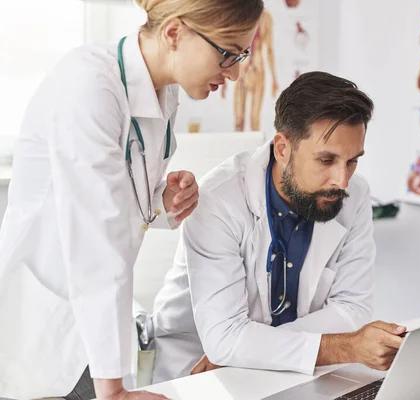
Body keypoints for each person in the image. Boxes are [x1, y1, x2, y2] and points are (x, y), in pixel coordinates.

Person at [0, 1, 264, 399]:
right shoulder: (89, 84)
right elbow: (95, 238)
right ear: (174, 33)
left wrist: (163, 200)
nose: (235, 73)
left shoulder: (165, 92)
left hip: (95, 326)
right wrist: (114, 391)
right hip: (41, 322)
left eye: (242, 55)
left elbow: (122, 198)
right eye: (227, 53)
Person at [150, 72, 406, 383]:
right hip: (196, 375)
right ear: (283, 149)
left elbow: (353, 309)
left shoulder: (354, 195)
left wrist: (248, 352)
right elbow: (224, 340)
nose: (343, 179)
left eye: (352, 161)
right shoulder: (218, 200)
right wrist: (345, 347)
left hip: (289, 374)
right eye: (326, 160)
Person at [221, 8, 278, 132]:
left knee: (253, 120)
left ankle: (254, 151)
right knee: (239, 120)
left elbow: (269, 49)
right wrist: (223, 75)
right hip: (245, 71)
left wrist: (274, 79)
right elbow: (230, 46)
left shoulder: (265, 17)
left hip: (255, 70)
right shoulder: (241, 14)